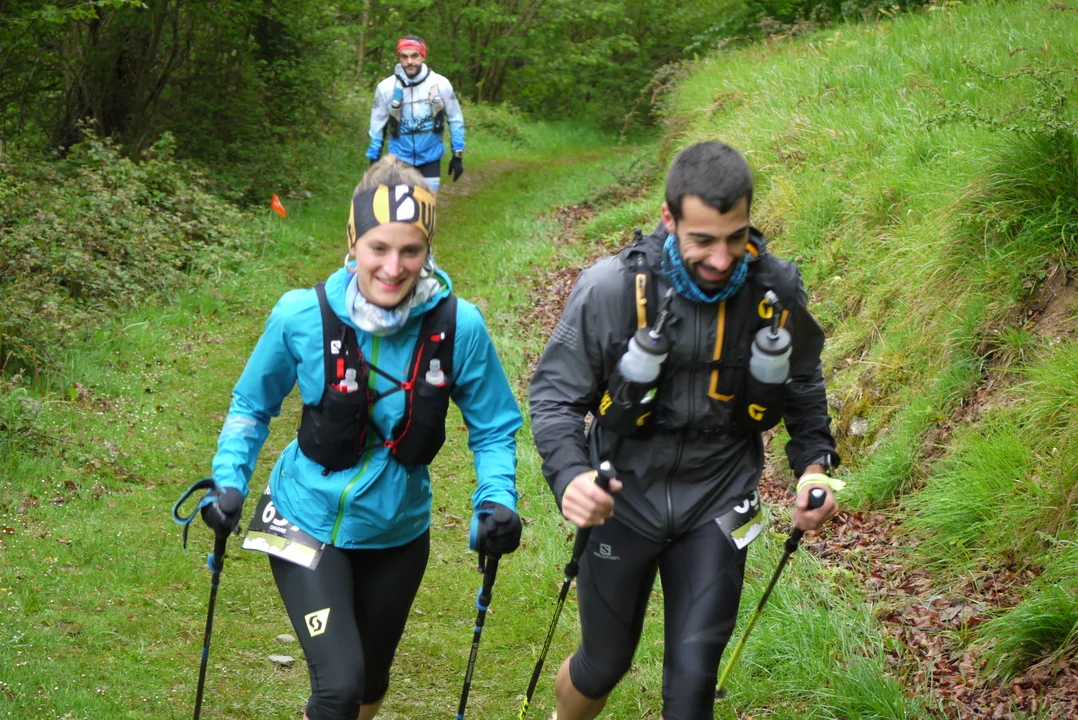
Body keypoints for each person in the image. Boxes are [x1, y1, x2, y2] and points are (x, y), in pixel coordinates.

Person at [528, 141, 843, 720]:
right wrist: (571, 476)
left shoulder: (775, 291)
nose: (722, 259)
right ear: (669, 219)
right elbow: (554, 397)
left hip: (720, 500)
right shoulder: (610, 289)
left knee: (693, 685)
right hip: (623, 499)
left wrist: (813, 468)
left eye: (735, 237)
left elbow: (802, 382)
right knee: (603, 665)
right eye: (703, 240)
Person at [200, 156, 523, 720]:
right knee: (339, 686)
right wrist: (229, 480)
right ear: (353, 242)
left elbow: (494, 427)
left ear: (428, 249)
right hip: (303, 517)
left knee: (371, 683)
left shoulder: (460, 327)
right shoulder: (300, 315)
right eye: (379, 248)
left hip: (397, 529)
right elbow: (251, 405)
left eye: (410, 250)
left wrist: (497, 499)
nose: (393, 268)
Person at [366, 35, 465, 197]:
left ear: (423, 56)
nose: (409, 62)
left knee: (427, 206)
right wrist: (374, 156)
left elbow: (455, 119)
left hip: (430, 158)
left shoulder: (441, 84)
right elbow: (377, 123)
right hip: (398, 160)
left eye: (414, 56)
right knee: (400, 209)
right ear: (399, 58)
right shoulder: (385, 88)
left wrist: (457, 154)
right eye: (404, 57)